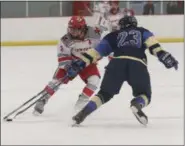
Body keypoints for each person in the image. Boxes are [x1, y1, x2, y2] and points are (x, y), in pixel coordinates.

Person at [68, 15, 178, 126]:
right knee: (145, 95)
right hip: (137, 64)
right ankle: (137, 104)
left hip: (116, 64)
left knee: (104, 94)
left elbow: (95, 53)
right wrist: (164, 56)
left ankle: (83, 113)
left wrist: (80, 64)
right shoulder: (142, 31)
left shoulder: (113, 35)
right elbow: (154, 47)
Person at [33, 16, 103, 115]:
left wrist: (93, 59)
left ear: (83, 29)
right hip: (72, 62)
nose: (71, 32)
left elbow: (101, 50)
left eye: (74, 29)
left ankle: (80, 104)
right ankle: (42, 99)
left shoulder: (95, 35)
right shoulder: (65, 40)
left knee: (94, 80)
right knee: (56, 81)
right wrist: (69, 67)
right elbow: (63, 57)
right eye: (70, 28)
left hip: (87, 63)